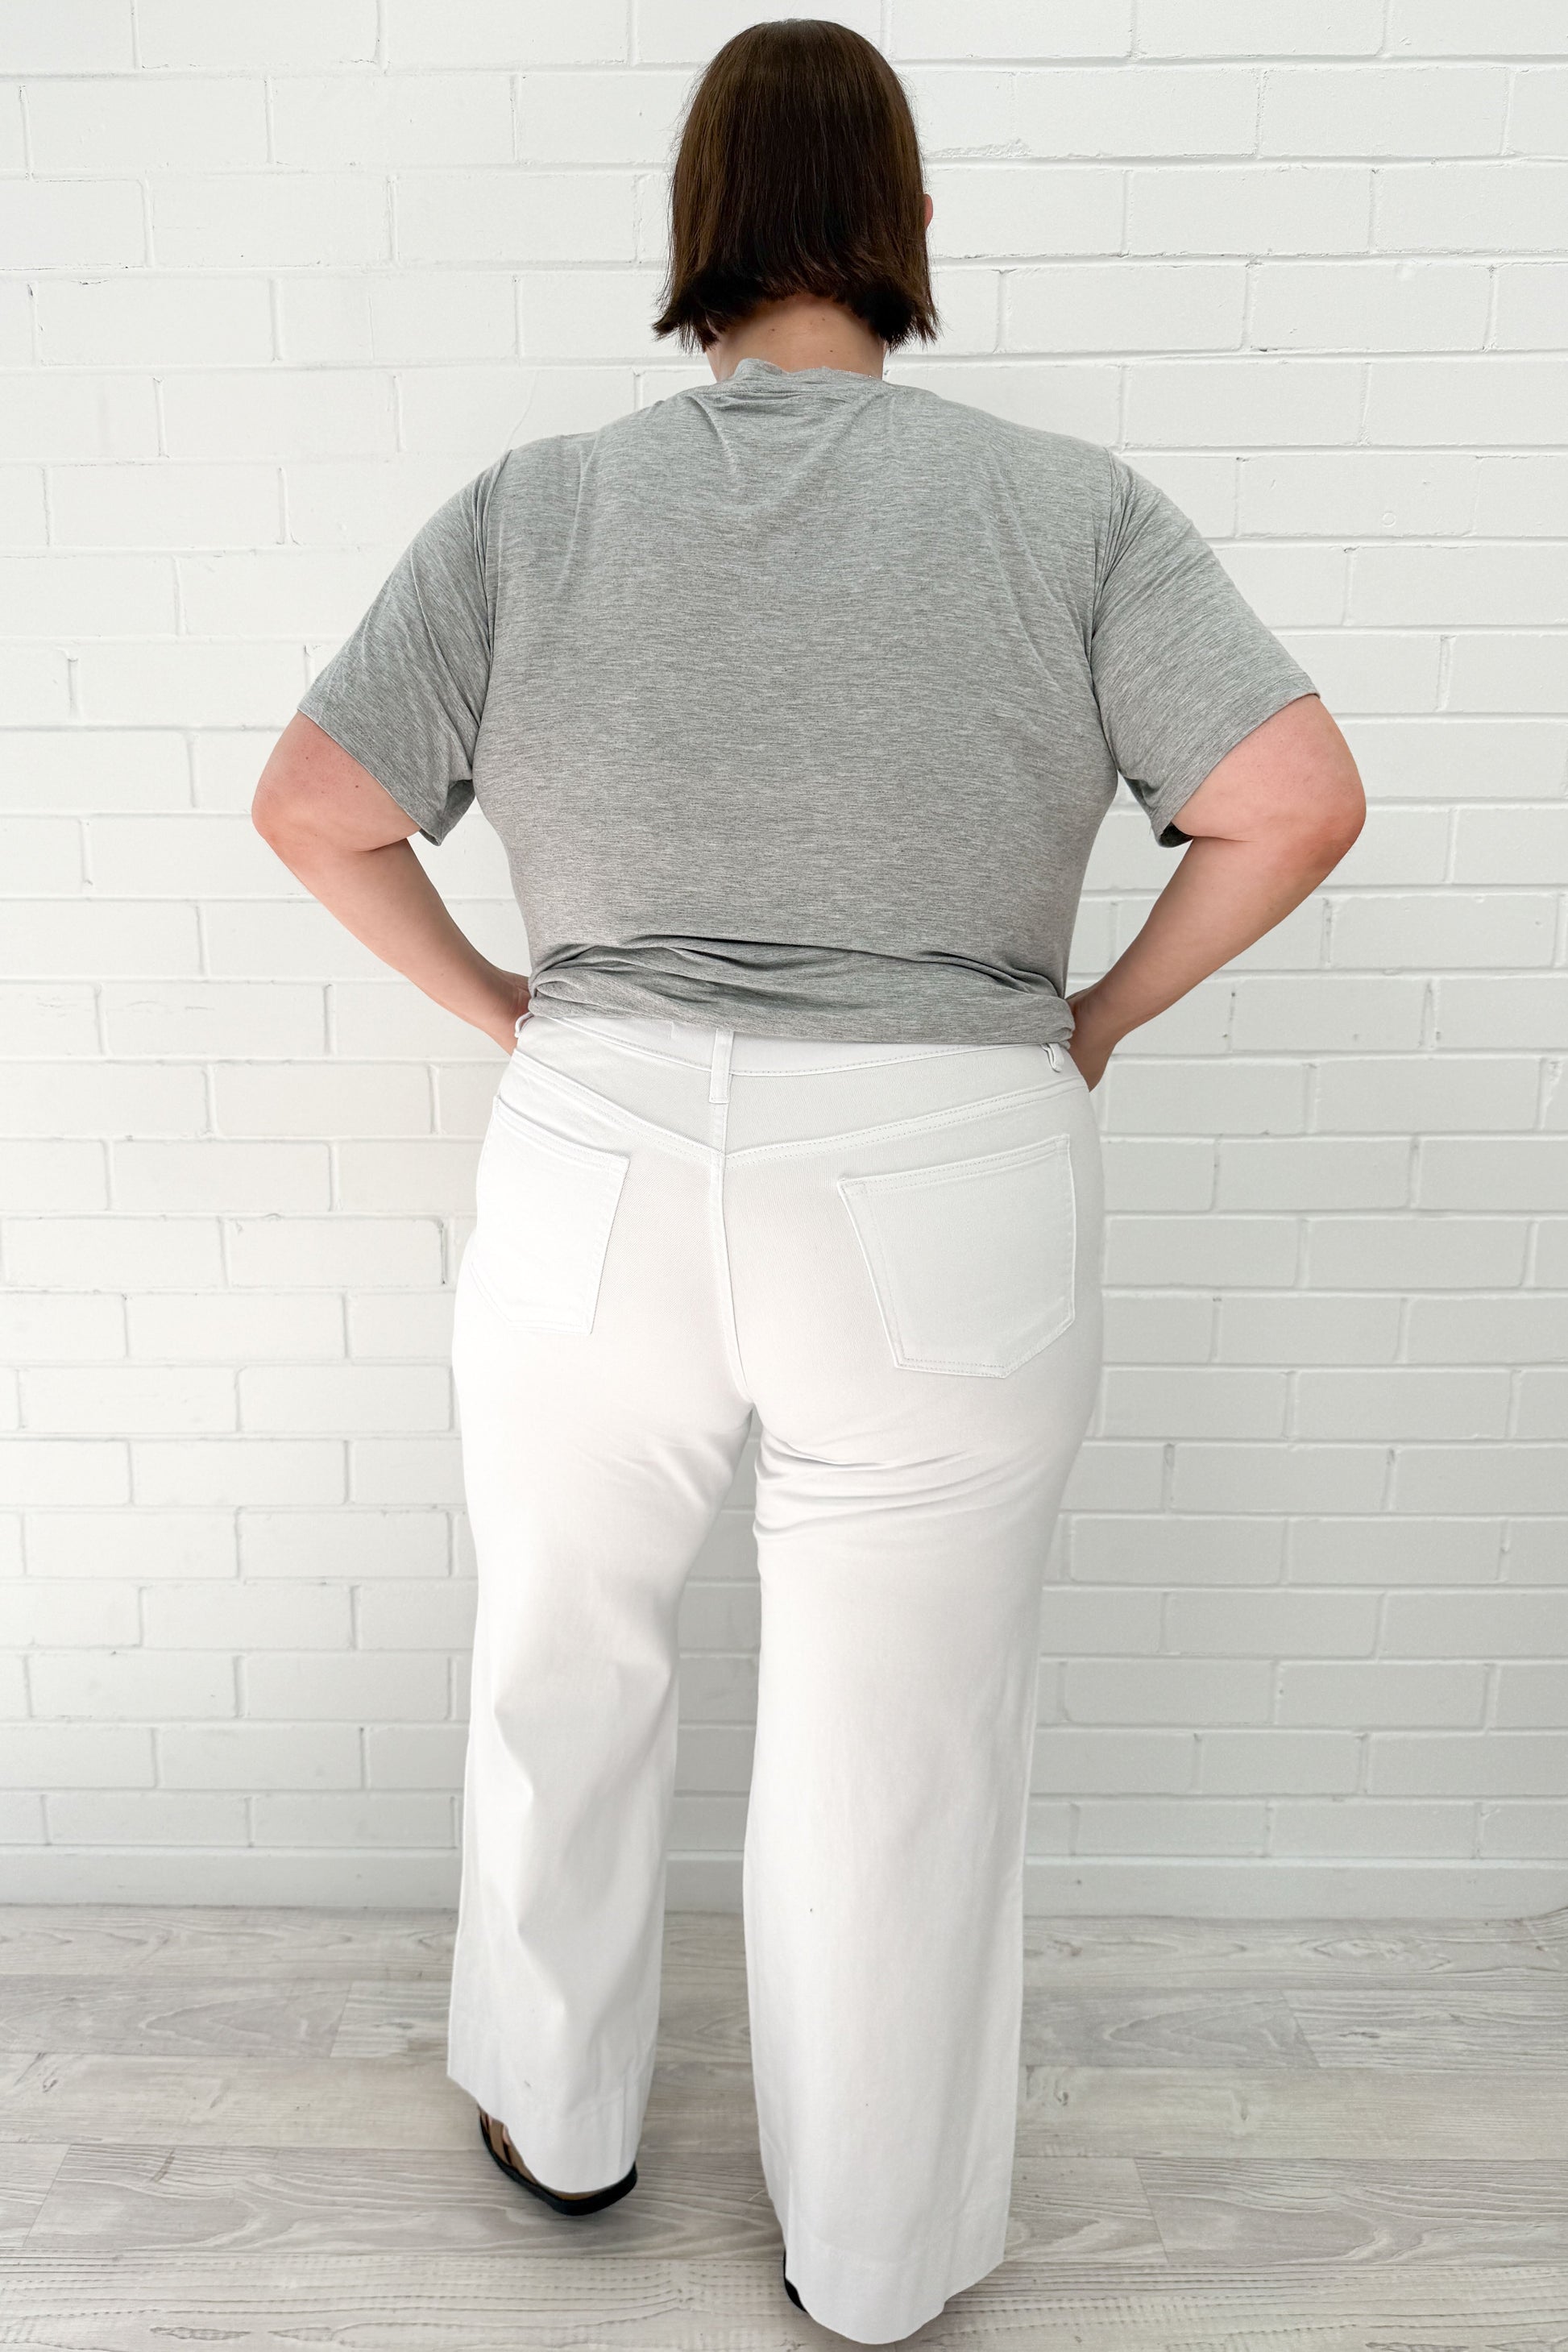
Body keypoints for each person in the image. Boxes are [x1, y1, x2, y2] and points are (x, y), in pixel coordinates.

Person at [251, 19, 1365, 2344]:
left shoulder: (536, 508)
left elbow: (313, 807)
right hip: (947, 1165)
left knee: (562, 1653)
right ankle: (867, 2256)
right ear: (908, 226)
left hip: (599, 1157)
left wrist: (512, 1011)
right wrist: (1092, 1018)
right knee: (899, 1737)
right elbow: (1294, 797)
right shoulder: (1067, 512)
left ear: (697, 231)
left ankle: (558, 2121)